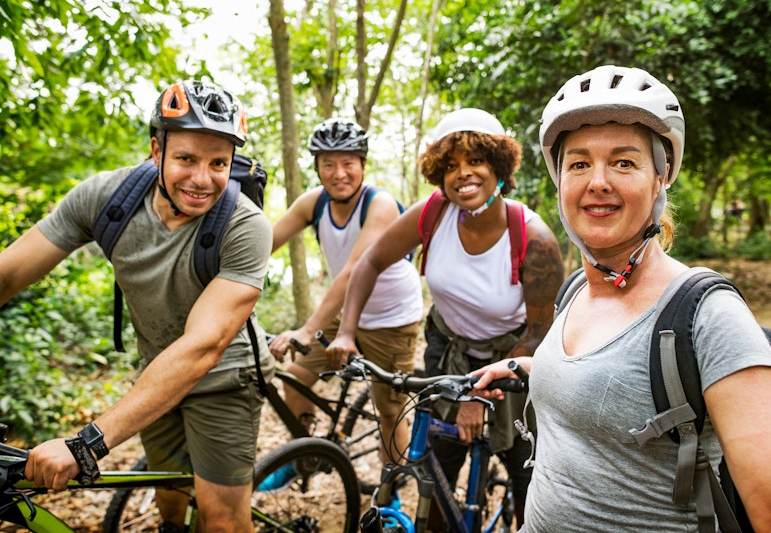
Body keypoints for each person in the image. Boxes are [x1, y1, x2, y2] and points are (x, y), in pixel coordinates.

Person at [471, 65, 771, 532]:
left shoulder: (706, 316)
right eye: (579, 163)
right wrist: (526, 368)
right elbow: (607, 379)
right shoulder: (574, 291)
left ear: (661, 177)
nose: (598, 181)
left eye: (624, 162)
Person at [0, 80, 275, 533]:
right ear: (156, 151)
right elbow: (9, 273)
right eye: (186, 158)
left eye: (218, 163)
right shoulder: (106, 200)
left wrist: (87, 444)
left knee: (222, 519)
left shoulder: (246, 226)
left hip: (226, 376)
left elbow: (204, 347)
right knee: (169, 497)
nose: (202, 179)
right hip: (156, 372)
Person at [327, 108, 565, 527]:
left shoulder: (534, 238)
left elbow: (540, 332)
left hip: (514, 356)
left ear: (498, 166)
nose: (463, 174)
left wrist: (477, 395)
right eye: (451, 165)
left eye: (476, 161)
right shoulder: (432, 213)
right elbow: (368, 263)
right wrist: (346, 332)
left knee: (526, 469)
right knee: (436, 470)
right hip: (449, 349)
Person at [268, 118, 423, 492]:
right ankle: (304, 455)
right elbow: (263, 245)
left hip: (391, 318)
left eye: (348, 163)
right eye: (328, 164)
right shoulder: (313, 203)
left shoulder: (380, 204)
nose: (339, 173)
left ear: (363, 165)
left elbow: (353, 270)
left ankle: (390, 493)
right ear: (317, 167)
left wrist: (307, 329)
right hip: (344, 315)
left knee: (389, 410)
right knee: (294, 378)